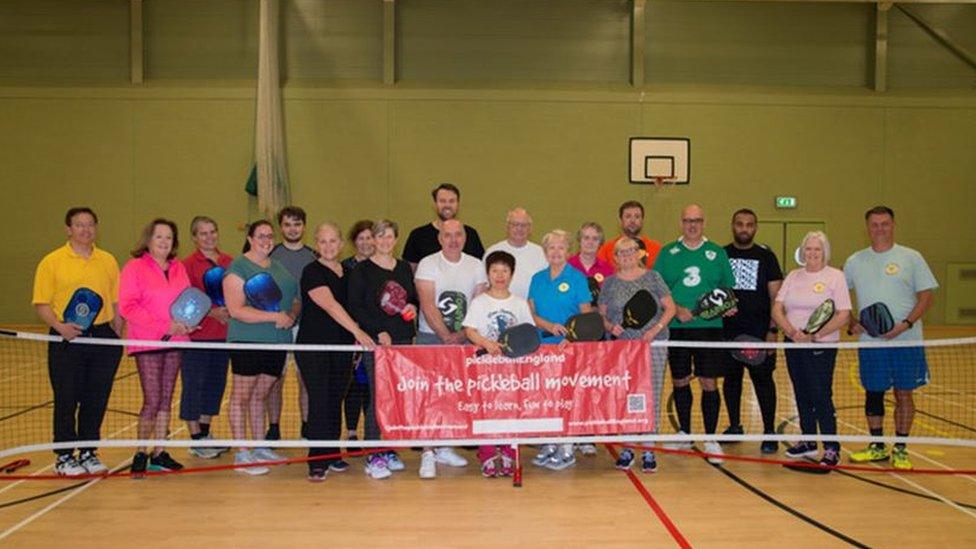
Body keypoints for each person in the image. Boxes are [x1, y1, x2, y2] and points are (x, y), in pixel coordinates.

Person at [32, 207, 124, 476]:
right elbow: (41, 303)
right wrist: (61, 327)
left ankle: (88, 451)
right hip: (67, 338)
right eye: (79, 225)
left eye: (90, 225)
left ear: (96, 227)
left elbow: (116, 298)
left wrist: (118, 324)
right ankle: (63, 456)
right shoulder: (52, 261)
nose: (86, 230)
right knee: (67, 397)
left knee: (96, 396)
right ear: (68, 229)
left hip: (103, 337)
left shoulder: (107, 260)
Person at [844, 206, 937, 471]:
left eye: (885, 224)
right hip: (871, 343)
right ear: (867, 228)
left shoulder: (911, 257)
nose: (880, 229)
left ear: (893, 225)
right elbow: (839, 292)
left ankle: (901, 448)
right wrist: (852, 322)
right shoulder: (855, 261)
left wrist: (905, 324)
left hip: (906, 340)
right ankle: (876, 446)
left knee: (903, 393)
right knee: (873, 392)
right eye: (874, 225)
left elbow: (926, 296)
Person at [653, 204, 735, 464]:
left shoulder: (717, 252)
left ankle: (710, 438)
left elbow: (728, 292)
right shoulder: (667, 253)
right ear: (681, 222)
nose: (692, 225)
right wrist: (677, 310)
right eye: (688, 220)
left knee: (708, 382)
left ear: (704, 222)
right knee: (679, 380)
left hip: (709, 329)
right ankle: (684, 433)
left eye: (697, 220)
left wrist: (706, 312)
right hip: (675, 327)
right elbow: (658, 291)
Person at [296, 223, 376, 482]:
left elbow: (356, 307)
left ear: (341, 244)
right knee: (319, 401)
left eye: (333, 241)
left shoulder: (349, 273)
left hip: (341, 349)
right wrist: (359, 333)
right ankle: (316, 460)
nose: (328, 246)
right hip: (315, 348)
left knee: (335, 400)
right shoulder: (312, 272)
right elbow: (330, 305)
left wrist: (355, 341)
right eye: (322, 242)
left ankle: (331, 453)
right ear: (316, 245)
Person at [223, 220, 300, 475]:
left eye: (270, 236)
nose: (267, 240)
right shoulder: (238, 267)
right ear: (249, 238)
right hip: (248, 341)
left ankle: (258, 447)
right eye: (261, 236)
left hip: (276, 342)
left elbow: (293, 298)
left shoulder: (278, 267)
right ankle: (242, 453)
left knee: (260, 396)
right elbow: (236, 310)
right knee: (241, 397)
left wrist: (291, 314)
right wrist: (274, 318)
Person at [772, 231, 851, 470]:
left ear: (824, 252)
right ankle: (808, 440)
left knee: (821, 394)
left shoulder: (835, 277)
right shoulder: (794, 276)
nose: (812, 253)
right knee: (801, 392)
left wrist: (815, 335)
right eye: (808, 249)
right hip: (794, 344)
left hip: (821, 347)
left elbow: (844, 314)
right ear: (802, 251)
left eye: (817, 249)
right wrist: (792, 333)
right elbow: (777, 308)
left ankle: (831, 447)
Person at [119, 218, 193, 475]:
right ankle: (140, 452)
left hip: (176, 342)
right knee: (151, 399)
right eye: (159, 236)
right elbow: (128, 306)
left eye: (169, 238)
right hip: (147, 342)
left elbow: (187, 301)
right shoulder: (134, 267)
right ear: (148, 240)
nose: (164, 242)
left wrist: (187, 323)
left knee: (166, 398)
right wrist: (165, 326)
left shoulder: (178, 268)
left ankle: (159, 452)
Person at [414, 219, 486, 478]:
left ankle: (445, 446)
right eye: (448, 235)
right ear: (439, 238)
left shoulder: (476, 265)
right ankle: (427, 452)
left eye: (458, 235)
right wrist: (446, 335)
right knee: (430, 396)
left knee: (455, 395)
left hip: (464, 339)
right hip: (431, 338)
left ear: (465, 238)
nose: (453, 239)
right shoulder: (428, 264)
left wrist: (462, 335)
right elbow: (427, 303)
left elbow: (478, 303)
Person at [348, 219, 418, 480]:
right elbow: (356, 306)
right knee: (378, 396)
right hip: (377, 342)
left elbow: (408, 299)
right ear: (373, 240)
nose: (385, 241)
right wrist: (378, 331)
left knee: (395, 397)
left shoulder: (402, 268)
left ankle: (388, 449)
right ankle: (373, 453)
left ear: (396, 239)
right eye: (380, 236)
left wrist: (412, 308)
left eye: (390, 236)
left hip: (402, 340)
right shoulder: (362, 270)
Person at [599, 237, 676, 472]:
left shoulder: (653, 278)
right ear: (615, 257)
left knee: (651, 393)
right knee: (627, 394)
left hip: (653, 345)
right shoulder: (610, 283)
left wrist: (654, 330)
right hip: (624, 347)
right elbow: (602, 315)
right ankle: (629, 446)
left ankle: (650, 448)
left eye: (631, 250)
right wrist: (611, 327)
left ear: (639, 253)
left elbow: (670, 308)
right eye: (621, 252)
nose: (626, 255)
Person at [462, 251, 535, 478]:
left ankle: (508, 453)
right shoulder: (479, 302)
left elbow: (529, 333)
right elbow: (470, 330)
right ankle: (487, 455)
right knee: (487, 412)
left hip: (513, 370)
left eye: (505, 271)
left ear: (512, 275)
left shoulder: (520, 304)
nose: (500, 275)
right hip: (486, 369)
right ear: (488, 274)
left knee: (511, 412)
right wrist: (486, 343)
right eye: (495, 270)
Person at [528, 229, 593, 471]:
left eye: (561, 247)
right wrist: (549, 326)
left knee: (566, 398)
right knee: (545, 397)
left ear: (568, 250)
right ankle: (549, 444)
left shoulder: (576, 278)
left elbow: (586, 315)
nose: (556, 252)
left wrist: (572, 338)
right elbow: (531, 313)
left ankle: (566, 446)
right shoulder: (537, 279)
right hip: (542, 347)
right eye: (551, 248)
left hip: (567, 348)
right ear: (545, 252)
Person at [721, 209, 783, 454]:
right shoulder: (722, 254)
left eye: (749, 225)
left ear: (755, 228)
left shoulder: (766, 256)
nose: (744, 228)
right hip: (728, 334)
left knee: (763, 381)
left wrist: (772, 329)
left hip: (759, 333)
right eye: (739, 224)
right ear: (733, 226)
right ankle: (735, 425)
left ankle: (769, 432)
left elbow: (776, 296)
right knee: (731, 381)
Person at [179, 216, 233, 459]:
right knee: (194, 384)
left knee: (215, 385)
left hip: (223, 336)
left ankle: (205, 432)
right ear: (194, 237)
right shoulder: (187, 265)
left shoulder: (229, 261)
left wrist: (231, 310)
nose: (209, 237)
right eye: (203, 233)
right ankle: (195, 438)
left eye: (213, 231)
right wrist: (211, 311)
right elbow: (185, 298)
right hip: (197, 336)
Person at [268, 206, 316, 441]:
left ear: (304, 227)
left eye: (297, 224)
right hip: (276, 326)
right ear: (281, 227)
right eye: (287, 224)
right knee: (274, 380)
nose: (292, 229)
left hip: (305, 327)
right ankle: (274, 428)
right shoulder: (271, 255)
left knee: (304, 380)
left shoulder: (313, 255)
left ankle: (307, 428)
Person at [341, 220, 374, 441]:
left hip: (374, 334)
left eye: (369, 237)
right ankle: (352, 433)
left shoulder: (381, 266)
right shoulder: (345, 267)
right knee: (352, 385)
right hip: (351, 332)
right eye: (360, 238)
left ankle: (373, 434)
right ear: (354, 242)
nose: (365, 242)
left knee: (371, 385)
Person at [402, 183, 485, 270]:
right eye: (442, 201)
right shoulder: (418, 235)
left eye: (452, 201)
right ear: (435, 204)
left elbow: (480, 268)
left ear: (458, 204)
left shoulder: (471, 234)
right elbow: (410, 272)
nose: (447, 205)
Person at [483, 207, 547, 299]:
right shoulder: (493, 251)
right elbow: (485, 284)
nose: (519, 229)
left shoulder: (541, 253)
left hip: (531, 309)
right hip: (500, 308)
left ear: (530, 228)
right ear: (507, 227)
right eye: (515, 224)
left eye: (524, 225)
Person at [597, 201, 662, 270]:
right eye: (628, 216)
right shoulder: (606, 250)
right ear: (620, 220)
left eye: (637, 217)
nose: (632, 221)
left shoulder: (657, 249)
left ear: (642, 220)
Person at [568, 221, 615, 306]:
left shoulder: (608, 269)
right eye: (586, 238)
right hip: (570, 317)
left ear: (600, 243)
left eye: (595, 239)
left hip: (598, 317)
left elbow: (612, 299)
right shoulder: (567, 266)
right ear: (579, 240)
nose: (590, 242)